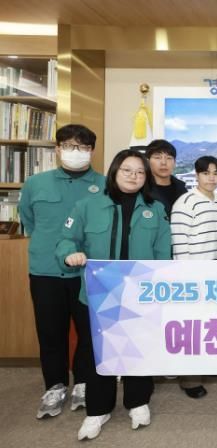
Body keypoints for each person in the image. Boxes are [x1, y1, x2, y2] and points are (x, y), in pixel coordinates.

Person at [55, 149, 170, 440]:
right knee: (98, 352)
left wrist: (160, 286)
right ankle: (98, 409)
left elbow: (162, 252)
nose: (134, 176)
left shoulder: (155, 209)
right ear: (114, 172)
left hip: (140, 291)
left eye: (140, 172)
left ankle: (138, 401)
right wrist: (70, 254)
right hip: (99, 293)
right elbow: (66, 240)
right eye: (127, 170)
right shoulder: (88, 205)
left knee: (138, 346)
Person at [18, 124, 105, 419]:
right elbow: (28, 220)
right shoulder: (35, 183)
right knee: (50, 331)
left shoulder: (104, 184)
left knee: (88, 331)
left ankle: (83, 382)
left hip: (88, 272)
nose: (76, 152)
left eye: (83, 147)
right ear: (57, 149)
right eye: (69, 145)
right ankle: (54, 386)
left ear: (92, 151)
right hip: (45, 270)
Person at [170, 155, 217, 398]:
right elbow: (179, 241)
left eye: (215, 173)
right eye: (206, 173)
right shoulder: (185, 202)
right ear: (197, 175)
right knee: (192, 328)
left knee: (212, 325)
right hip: (193, 275)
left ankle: (210, 367)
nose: (211, 178)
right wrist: (186, 276)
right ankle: (190, 380)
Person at [145, 139, 188, 216]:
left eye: (169, 158)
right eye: (157, 157)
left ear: (174, 163)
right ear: (148, 162)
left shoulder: (182, 190)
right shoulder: (142, 191)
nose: (164, 163)